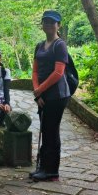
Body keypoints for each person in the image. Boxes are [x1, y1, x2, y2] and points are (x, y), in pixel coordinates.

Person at [30, 10, 70, 181]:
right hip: (44, 95)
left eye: (51, 22)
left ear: (58, 25)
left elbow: (58, 73)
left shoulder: (59, 45)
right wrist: (37, 92)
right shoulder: (39, 45)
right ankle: (43, 167)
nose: (48, 25)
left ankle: (52, 171)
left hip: (57, 95)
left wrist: (40, 90)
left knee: (51, 131)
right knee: (45, 130)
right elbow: (35, 70)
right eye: (45, 22)